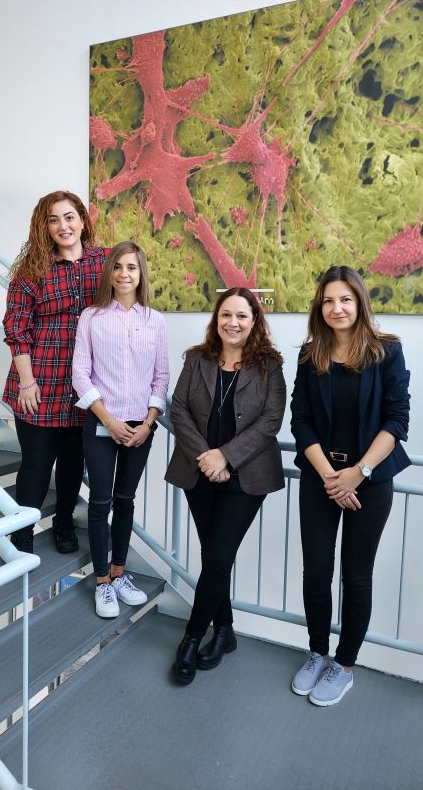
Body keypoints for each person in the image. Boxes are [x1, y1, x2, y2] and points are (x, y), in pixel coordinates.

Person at [290, 265, 410, 706]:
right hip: (321, 476)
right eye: (327, 300)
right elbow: (300, 421)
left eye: (344, 299)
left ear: (359, 301)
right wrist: (329, 476)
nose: (336, 308)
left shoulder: (386, 352)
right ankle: (318, 653)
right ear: (319, 307)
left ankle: (344, 665)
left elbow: (397, 419)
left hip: (370, 479)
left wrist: (358, 472)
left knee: (356, 576)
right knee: (317, 571)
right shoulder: (309, 355)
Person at [166, 287, 286, 685]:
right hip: (198, 473)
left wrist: (226, 457)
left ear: (254, 322)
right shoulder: (196, 359)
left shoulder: (269, 365)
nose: (232, 323)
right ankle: (226, 632)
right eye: (226, 315)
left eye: (242, 316)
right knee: (215, 557)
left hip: (246, 477)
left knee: (217, 557)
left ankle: (190, 640)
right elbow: (178, 408)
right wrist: (206, 456)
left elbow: (270, 421)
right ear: (216, 319)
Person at [3, 191, 107, 554]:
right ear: (44, 227)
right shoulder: (31, 270)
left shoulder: (105, 263)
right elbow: (17, 329)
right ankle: (22, 532)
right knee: (35, 463)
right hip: (39, 382)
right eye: (53, 220)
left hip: (83, 385)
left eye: (69, 217)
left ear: (82, 220)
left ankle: (64, 521)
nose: (63, 226)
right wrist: (27, 382)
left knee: (72, 463)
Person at [72, 242, 169, 618]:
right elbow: (80, 373)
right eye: (118, 267)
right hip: (101, 421)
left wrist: (147, 423)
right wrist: (109, 421)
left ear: (141, 273)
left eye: (132, 267)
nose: (124, 274)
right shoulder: (92, 318)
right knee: (100, 502)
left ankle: (119, 573)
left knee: (126, 501)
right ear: (109, 273)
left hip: (141, 427)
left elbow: (161, 377)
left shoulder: (155, 321)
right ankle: (101, 582)